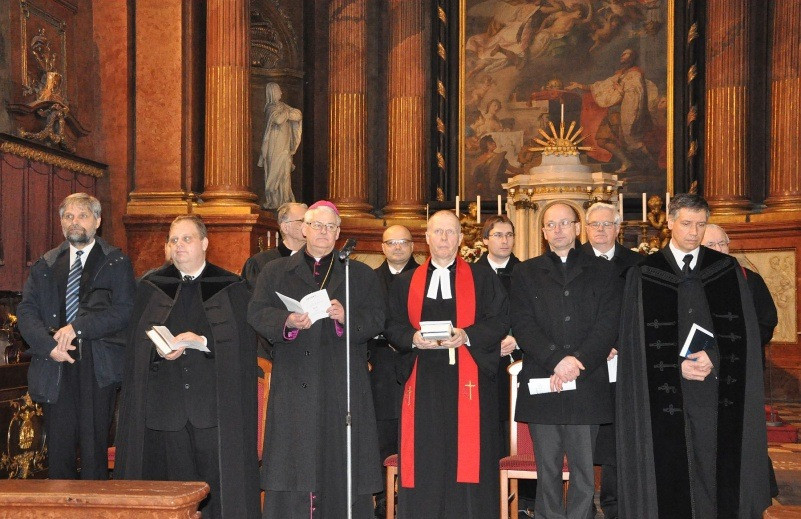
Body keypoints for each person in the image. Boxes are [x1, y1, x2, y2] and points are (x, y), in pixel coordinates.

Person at [617, 193, 771, 518]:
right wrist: (676, 366)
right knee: (672, 461)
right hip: (665, 390)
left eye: (701, 224)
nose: (694, 232)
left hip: (715, 386)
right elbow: (634, 343)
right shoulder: (645, 273)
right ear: (670, 222)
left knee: (712, 459)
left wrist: (715, 356)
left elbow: (745, 332)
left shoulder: (725, 270)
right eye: (687, 223)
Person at [114, 215, 259, 519]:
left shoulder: (231, 287)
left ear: (204, 243)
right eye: (174, 240)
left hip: (213, 410)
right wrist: (157, 351)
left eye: (186, 238)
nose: (179, 245)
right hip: (166, 410)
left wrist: (203, 340)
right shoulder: (152, 286)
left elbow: (244, 345)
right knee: (171, 493)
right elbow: (134, 349)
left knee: (217, 491)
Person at [248, 200, 384, 518]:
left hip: (343, 383)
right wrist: (287, 321)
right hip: (294, 379)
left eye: (330, 226)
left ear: (338, 233)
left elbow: (378, 319)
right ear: (304, 229)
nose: (323, 231)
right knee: (293, 458)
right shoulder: (275, 271)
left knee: (342, 456)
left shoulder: (359, 274)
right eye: (316, 225)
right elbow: (256, 312)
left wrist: (346, 317)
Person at [384, 210, 509, 519]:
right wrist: (413, 338)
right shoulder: (405, 282)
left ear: (461, 238)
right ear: (426, 238)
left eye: (450, 231)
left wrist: (467, 335)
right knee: (425, 452)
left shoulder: (483, 278)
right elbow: (391, 324)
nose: (443, 238)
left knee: (468, 453)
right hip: (422, 382)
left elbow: (500, 320)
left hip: (469, 382)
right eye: (437, 232)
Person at [510, 202, 620, 519]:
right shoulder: (525, 272)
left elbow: (608, 325)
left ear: (577, 227)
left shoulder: (604, 271)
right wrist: (557, 360)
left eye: (564, 223)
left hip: (586, 382)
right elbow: (523, 324)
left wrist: (576, 362)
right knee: (547, 470)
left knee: (584, 471)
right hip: (543, 380)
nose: (557, 229)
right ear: (544, 232)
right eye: (551, 224)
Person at [17, 193, 135, 480]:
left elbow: (125, 311)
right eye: (68, 216)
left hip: (97, 365)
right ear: (61, 223)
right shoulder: (45, 265)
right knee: (59, 452)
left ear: (98, 221)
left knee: (94, 452)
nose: (74, 222)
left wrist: (78, 328)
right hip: (54, 364)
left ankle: (94, 504)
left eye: (82, 215)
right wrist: (48, 346)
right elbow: (26, 311)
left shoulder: (115, 261)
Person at [704, 223, 780, 499]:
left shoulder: (750, 279)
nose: (718, 249)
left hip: (743, 367)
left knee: (746, 429)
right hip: (704, 369)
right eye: (710, 245)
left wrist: (734, 345)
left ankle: (754, 487)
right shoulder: (693, 280)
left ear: (729, 244)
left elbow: (767, 322)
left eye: (721, 243)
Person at [580, 202, 642, 519]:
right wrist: (595, 347)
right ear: (585, 228)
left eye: (608, 224)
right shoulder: (571, 261)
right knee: (583, 435)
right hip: (584, 361)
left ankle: (615, 505)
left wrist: (616, 343)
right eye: (595, 224)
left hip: (623, 359)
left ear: (618, 228)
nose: (601, 230)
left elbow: (640, 313)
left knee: (618, 434)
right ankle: (580, 505)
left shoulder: (638, 264)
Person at [370, 225, 419, 518]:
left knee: (417, 433)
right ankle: (383, 498)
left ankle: (415, 496)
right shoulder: (370, 279)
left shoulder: (425, 276)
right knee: (384, 435)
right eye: (391, 242)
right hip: (382, 368)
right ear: (383, 247)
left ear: (413, 246)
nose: (397, 247)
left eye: (403, 242)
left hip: (417, 362)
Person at [567, 48, 657, 173]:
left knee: (630, 141)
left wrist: (621, 94)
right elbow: (600, 86)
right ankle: (627, 162)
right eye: (622, 54)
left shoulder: (635, 74)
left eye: (626, 54)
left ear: (632, 57)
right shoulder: (620, 74)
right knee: (602, 140)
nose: (622, 56)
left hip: (625, 113)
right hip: (613, 113)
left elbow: (636, 96)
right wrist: (579, 86)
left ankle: (651, 166)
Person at [476, 215, 522, 454]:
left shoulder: (526, 272)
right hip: (482, 359)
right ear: (485, 240)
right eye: (498, 235)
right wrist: (490, 342)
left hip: (517, 356)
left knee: (513, 423)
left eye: (509, 235)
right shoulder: (472, 274)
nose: (505, 241)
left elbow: (535, 314)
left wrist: (518, 339)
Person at [241, 202, 308, 290]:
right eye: (302, 221)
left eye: (310, 222)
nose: (308, 226)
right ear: (285, 228)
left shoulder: (317, 260)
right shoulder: (260, 262)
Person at [259, 82, 303, 209]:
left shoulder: (283, 107)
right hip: (274, 148)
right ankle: (274, 200)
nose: (281, 93)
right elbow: (278, 120)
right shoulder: (270, 108)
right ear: (273, 92)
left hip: (284, 148)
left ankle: (285, 200)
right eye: (278, 90)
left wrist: (286, 114)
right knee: (274, 173)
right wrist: (288, 114)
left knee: (285, 173)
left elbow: (298, 115)